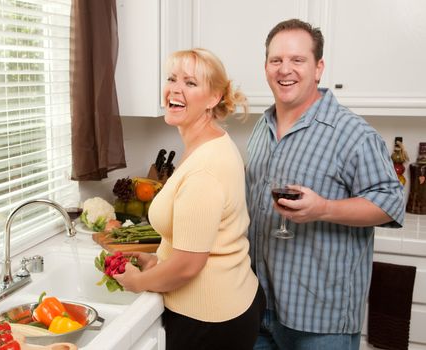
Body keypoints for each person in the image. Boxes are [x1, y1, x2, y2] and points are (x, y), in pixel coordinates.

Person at [245, 18, 405, 350]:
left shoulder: (353, 133)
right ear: (266, 67)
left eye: (297, 60)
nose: (284, 69)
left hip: (320, 322)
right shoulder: (261, 127)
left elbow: (391, 201)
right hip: (259, 306)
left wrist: (324, 208)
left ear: (318, 68)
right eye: (276, 60)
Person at [114, 48, 266, 349]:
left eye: (191, 83)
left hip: (208, 321)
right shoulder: (208, 142)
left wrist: (137, 282)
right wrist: (159, 260)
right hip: (229, 302)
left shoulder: (204, 169)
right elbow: (202, 241)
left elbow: (188, 266)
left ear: (214, 98)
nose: (175, 89)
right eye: (172, 78)